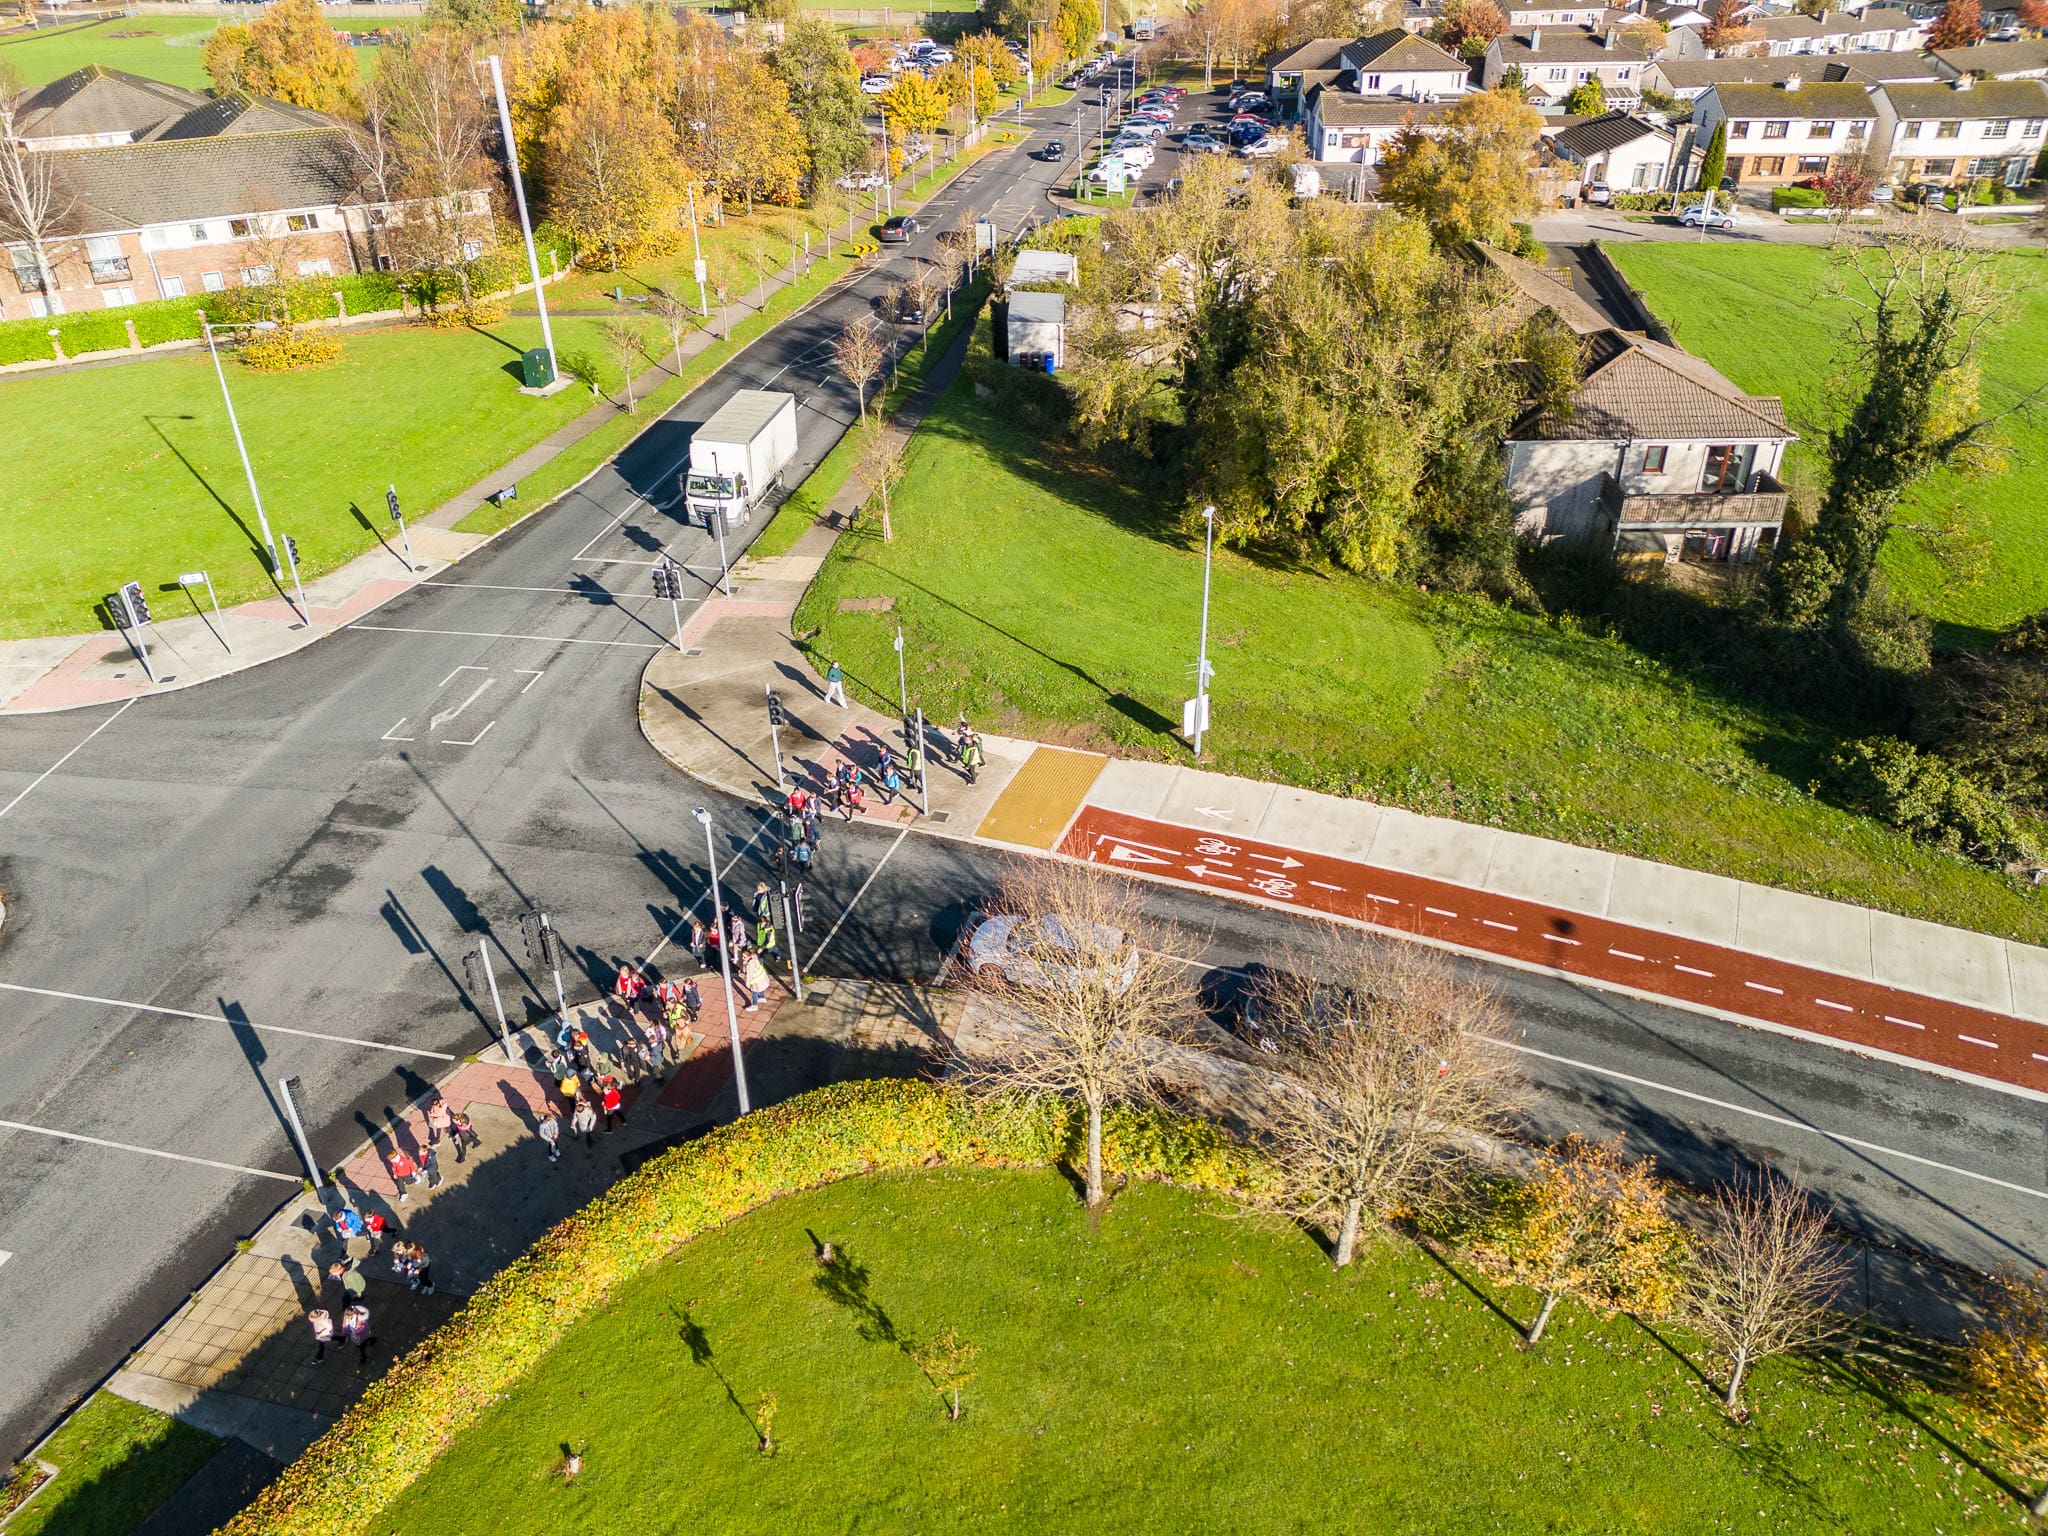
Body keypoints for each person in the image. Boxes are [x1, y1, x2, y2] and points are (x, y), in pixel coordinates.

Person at [342, 1302, 374, 1368]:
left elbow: (364, 1327)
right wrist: (344, 1330)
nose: (347, 1317)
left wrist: (356, 1331)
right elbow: (345, 1323)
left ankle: (364, 1356)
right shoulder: (347, 1315)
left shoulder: (361, 1319)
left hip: (361, 1335)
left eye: (348, 1317)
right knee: (361, 1343)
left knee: (361, 1346)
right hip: (355, 1335)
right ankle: (371, 1341)